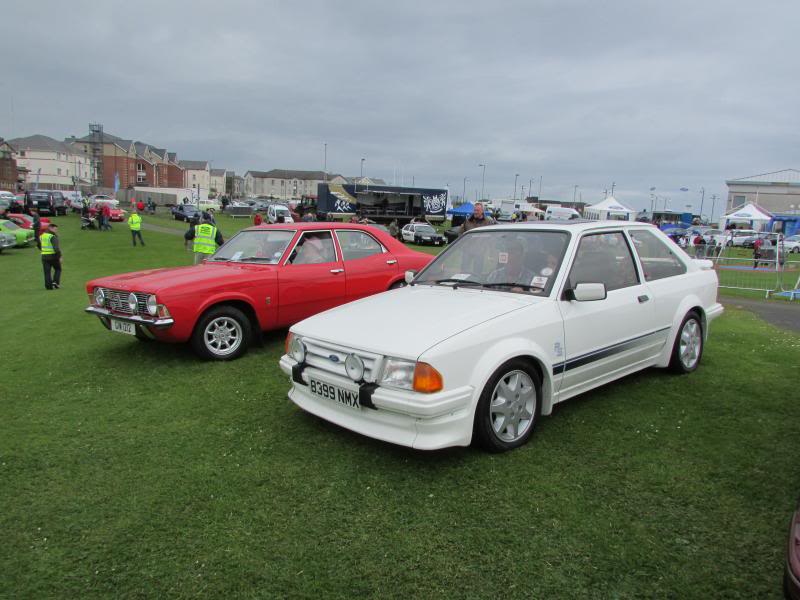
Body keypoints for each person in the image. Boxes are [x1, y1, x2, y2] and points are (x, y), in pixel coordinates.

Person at [39, 222, 62, 290]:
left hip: (44, 256)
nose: (56, 231)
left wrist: (43, 250)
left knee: (47, 272)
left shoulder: (42, 236)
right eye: (55, 229)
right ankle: (55, 282)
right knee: (58, 269)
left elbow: (39, 245)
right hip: (53, 256)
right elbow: (56, 248)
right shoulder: (52, 237)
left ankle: (48, 286)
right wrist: (59, 256)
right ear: (50, 228)